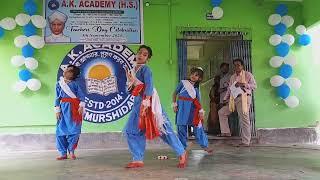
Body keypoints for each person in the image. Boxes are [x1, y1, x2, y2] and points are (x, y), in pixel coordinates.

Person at [124, 45, 187, 168]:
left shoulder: (146, 69)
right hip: (138, 103)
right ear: (136, 54)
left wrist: (147, 101)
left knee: (163, 128)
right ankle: (138, 158)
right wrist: (131, 83)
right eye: (140, 53)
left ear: (148, 58)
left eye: (145, 54)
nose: (141, 55)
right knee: (131, 130)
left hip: (150, 102)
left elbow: (149, 85)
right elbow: (130, 90)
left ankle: (181, 152)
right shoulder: (132, 70)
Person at [172, 67, 213, 154]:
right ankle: (182, 147)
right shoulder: (183, 83)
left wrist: (200, 111)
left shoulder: (197, 89)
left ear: (200, 78)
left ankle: (205, 146)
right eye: (192, 74)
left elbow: (198, 102)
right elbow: (175, 93)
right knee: (181, 128)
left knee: (198, 128)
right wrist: (174, 104)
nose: (193, 76)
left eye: (196, 75)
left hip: (192, 109)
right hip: (182, 108)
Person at [218, 58, 257, 146]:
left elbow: (254, 86)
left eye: (238, 65)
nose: (236, 66)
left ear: (242, 66)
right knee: (222, 112)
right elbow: (229, 89)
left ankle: (246, 141)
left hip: (244, 98)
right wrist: (225, 98)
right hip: (233, 99)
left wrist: (243, 84)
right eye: (235, 65)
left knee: (244, 119)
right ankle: (226, 132)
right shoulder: (233, 77)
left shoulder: (247, 74)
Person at [54, 65, 85, 160]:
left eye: (69, 70)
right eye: (66, 70)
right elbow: (57, 98)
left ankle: (71, 150)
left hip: (74, 109)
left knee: (75, 131)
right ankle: (63, 153)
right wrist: (57, 110)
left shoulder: (75, 84)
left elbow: (82, 96)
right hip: (63, 110)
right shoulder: (59, 84)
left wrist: (81, 106)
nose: (65, 71)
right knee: (60, 131)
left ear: (73, 74)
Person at [207, 63, 230, 135]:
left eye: (226, 68)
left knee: (223, 116)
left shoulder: (230, 77)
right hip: (217, 103)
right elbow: (212, 95)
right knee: (215, 118)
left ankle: (226, 132)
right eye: (223, 68)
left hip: (226, 101)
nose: (225, 69)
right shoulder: (215, 85)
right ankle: (220, 132)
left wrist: (224, 89)